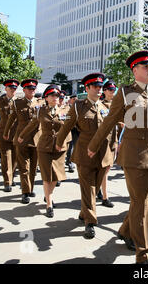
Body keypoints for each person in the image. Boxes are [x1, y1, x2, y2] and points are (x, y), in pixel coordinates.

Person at [87, 51, 148, 264]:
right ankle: (144, 255)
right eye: (145, 66)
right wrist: (93, 145)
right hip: (134, 157)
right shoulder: (124, 92)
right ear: (134, 69)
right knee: (141, 205)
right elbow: (109, 121)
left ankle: (125, 231)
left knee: (146, 201)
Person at [56, 73, 111, 239]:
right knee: (88, 188)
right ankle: (90, 222)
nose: (99, 89)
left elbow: (112, 129)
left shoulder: (106, 106)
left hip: (104, 155)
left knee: (94, 187)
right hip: (85, 153)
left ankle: (84, 212)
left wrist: (115, 148)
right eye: (95, 86)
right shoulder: (78, 106)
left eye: (100, 86)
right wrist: (59, 143)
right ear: (86, 88)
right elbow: (67, 126)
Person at [19, 85, 71, 218]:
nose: (55, 98)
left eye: (57, 96)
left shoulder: (65, 110)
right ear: (46, 98)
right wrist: (22, 135)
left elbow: (71, 127)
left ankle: (48, 195)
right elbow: (32, 125)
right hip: (44, 147)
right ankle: (49, 204)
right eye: (52, 96)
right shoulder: (40, 111)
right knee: (47, 177)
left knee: (57, 177)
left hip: (60, 148)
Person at [4, 79, 42, 204]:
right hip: (22, 138)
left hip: (37, 139)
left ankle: (30, 188)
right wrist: (6, 131)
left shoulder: (40, 103)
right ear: (24, 90)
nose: (32, 91)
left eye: (33, 89)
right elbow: (11, 119)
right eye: (29, 89)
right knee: (24, 167)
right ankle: (25, 192)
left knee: (33, 167)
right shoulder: (17, 103)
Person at [0, 80, 20, 192]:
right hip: (3, 134)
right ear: (5, 89)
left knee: (15, 159)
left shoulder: (19, 101)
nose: (13, 90)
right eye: (10, 88)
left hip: (16, 134)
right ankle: (7, 182)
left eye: (15, 88)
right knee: (6, 158)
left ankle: (11, 176)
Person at [97, 79, 119, 208]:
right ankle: (105, 196)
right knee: (105, 169)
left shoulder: (116, 104)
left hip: (113, 140)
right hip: (103, 141)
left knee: (108, 168)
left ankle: (99, 190)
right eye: (110, 90)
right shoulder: (100, 105)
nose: (112, 92)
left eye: (114, 90)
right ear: (104, 91)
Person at [65, 94, 79, 173]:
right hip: (71, 130)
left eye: (76, 99)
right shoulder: (67, 108)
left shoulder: (79, 107)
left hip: (78, 130)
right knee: (71, 147)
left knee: (75, 147)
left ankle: (69, 161)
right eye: (73, 99)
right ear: (70, 100)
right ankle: (70, 164)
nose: (75, 100)